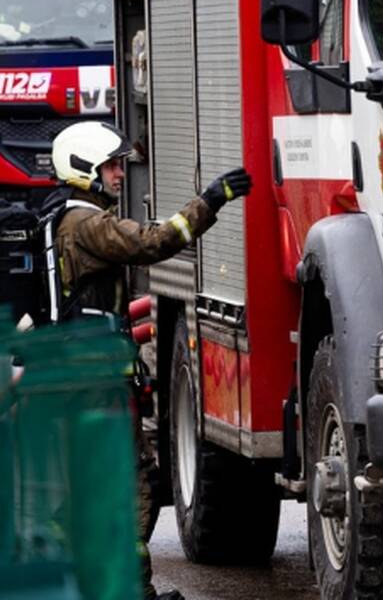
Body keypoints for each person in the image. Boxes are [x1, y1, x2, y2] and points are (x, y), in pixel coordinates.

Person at [48, 121, 251, 600]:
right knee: (132, 486)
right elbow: (152, 243)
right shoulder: (87, 225)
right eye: (112, 166)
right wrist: (211, 199)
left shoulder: (65, 219)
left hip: (85, 380)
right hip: (97, 385)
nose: (120, 173)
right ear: (84, 170)